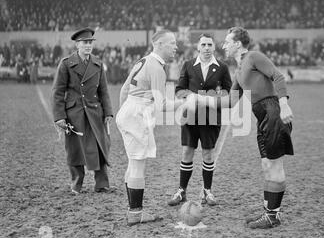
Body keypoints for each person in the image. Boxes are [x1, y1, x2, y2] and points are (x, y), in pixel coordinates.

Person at [199, 27, 294, 229]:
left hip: (273, 111)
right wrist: (201, 99)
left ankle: (272, 216)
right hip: (262, 116)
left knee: (275, 166)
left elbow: (278, 77)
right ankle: (271, 212)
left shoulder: (253, 56)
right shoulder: (240, 70)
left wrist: (284, 105)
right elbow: (230, 101)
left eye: (227, 41)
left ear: (238, 43)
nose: (224, 45)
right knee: (267, 166)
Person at [116, 29, 190, 226]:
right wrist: (184, 102)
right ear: (158, 45)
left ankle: (133, 209)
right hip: (137, 113)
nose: (176, 47)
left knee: (133, 164)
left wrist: (125, 113)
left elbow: (124, 89)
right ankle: (135, 213)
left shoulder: (143, 60)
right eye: (172, 43)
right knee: (138, 165)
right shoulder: (157, 67)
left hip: (128, 110)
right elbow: (162, 105)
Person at [167, 33, 232, 207]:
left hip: (211, 117)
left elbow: (228, 93)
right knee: (187, 152)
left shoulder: (222, 67)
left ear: (214, 47)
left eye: (210, 45)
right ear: (198, 47)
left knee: (208, 154)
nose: (207, 48)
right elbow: (180, 89)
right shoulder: (188, 65)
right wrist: (191, 97)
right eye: (203, 45)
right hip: (190, 117)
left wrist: (212, 98)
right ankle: (181, 191)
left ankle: (207, 191)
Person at [52, 27, 113, 194]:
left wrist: (108, 112)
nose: (88, 46)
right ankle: (76, 185)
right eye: (85, 43)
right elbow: (58, 91)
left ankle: (102, 184)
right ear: (77, 45)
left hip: (95, 112)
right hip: (74, 114)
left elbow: (104, 91)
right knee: (75, 150)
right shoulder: (66, 64)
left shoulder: (98, 64)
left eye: (90, 43)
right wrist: (59, 117)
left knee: (100, 147)